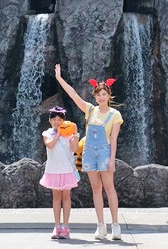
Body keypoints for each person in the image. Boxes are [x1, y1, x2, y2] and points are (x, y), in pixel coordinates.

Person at [55, 64, 124, 241]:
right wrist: (59, 78)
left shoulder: (115, 114)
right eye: (98, 94)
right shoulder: (90, 110)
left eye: (104, 94)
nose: (101, 97)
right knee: (96, 188)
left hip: (104, 152)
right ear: (95, 96)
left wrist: (111, 159)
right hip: (88, 152)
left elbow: (114, 139)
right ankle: (101, 226)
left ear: (109, 95)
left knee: (109, 188)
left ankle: (115, 225)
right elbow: (73, 95)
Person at [39, 106, 79, 239]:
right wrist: (58, 134)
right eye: (54, 119)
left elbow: (75, 149)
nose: (57, 122)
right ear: (50, 121)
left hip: (66, 170)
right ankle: (57, 227)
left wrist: (75, 134)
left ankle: (66, 226)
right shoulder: (47, 133)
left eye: (60, 119)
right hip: (53, 170)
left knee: (67, 197)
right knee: (56, 197)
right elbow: (50, 145)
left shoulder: (69, 135)